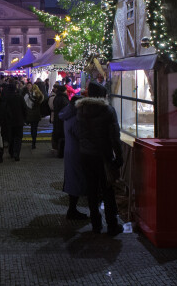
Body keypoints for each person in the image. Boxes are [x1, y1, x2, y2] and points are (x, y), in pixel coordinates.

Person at [76, 82, 124, 236]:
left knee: (92, 190)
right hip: (103, 155)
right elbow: (115, 136)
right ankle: (112, 225)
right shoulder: (108, 110)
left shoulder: (81, 109)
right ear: (103, 95)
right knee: (107, 190)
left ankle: (96, 224)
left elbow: (78, 132)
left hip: (85, 154)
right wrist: (119, 156)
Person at [59, 96, 88, 220]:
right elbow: (82, 136)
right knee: (76, 180)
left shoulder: (67, 114)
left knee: (73, 179)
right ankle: (72, 210)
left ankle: (72, 209)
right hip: (77, 152)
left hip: (70, 151)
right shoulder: (76, 119)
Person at [3, 83, 26, 161]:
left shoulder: (6, 98)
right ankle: (17, 153)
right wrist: (25, 118)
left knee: (11, 137)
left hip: (9, 121)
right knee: (18, 138)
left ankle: (11, 152)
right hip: (19, 120)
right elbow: (24, 108)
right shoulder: (19, 97)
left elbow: (4, 110)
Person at [23, 82, 44, 149]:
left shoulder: (27, 95)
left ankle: (33, 141)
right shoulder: (40, 95)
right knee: (35, 128)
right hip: (37, 114)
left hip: (30, 114)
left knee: (32, 128)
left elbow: (25, 104)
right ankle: (34, 142)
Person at [53, 85, 69, 157]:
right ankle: (61, 152)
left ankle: (58, 150)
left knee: (58, 135)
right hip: (62, 120)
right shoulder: (64, 98)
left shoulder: (56, 97)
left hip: (57, 118)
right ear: (64, 91)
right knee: (62, 136)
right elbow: (66, 110)